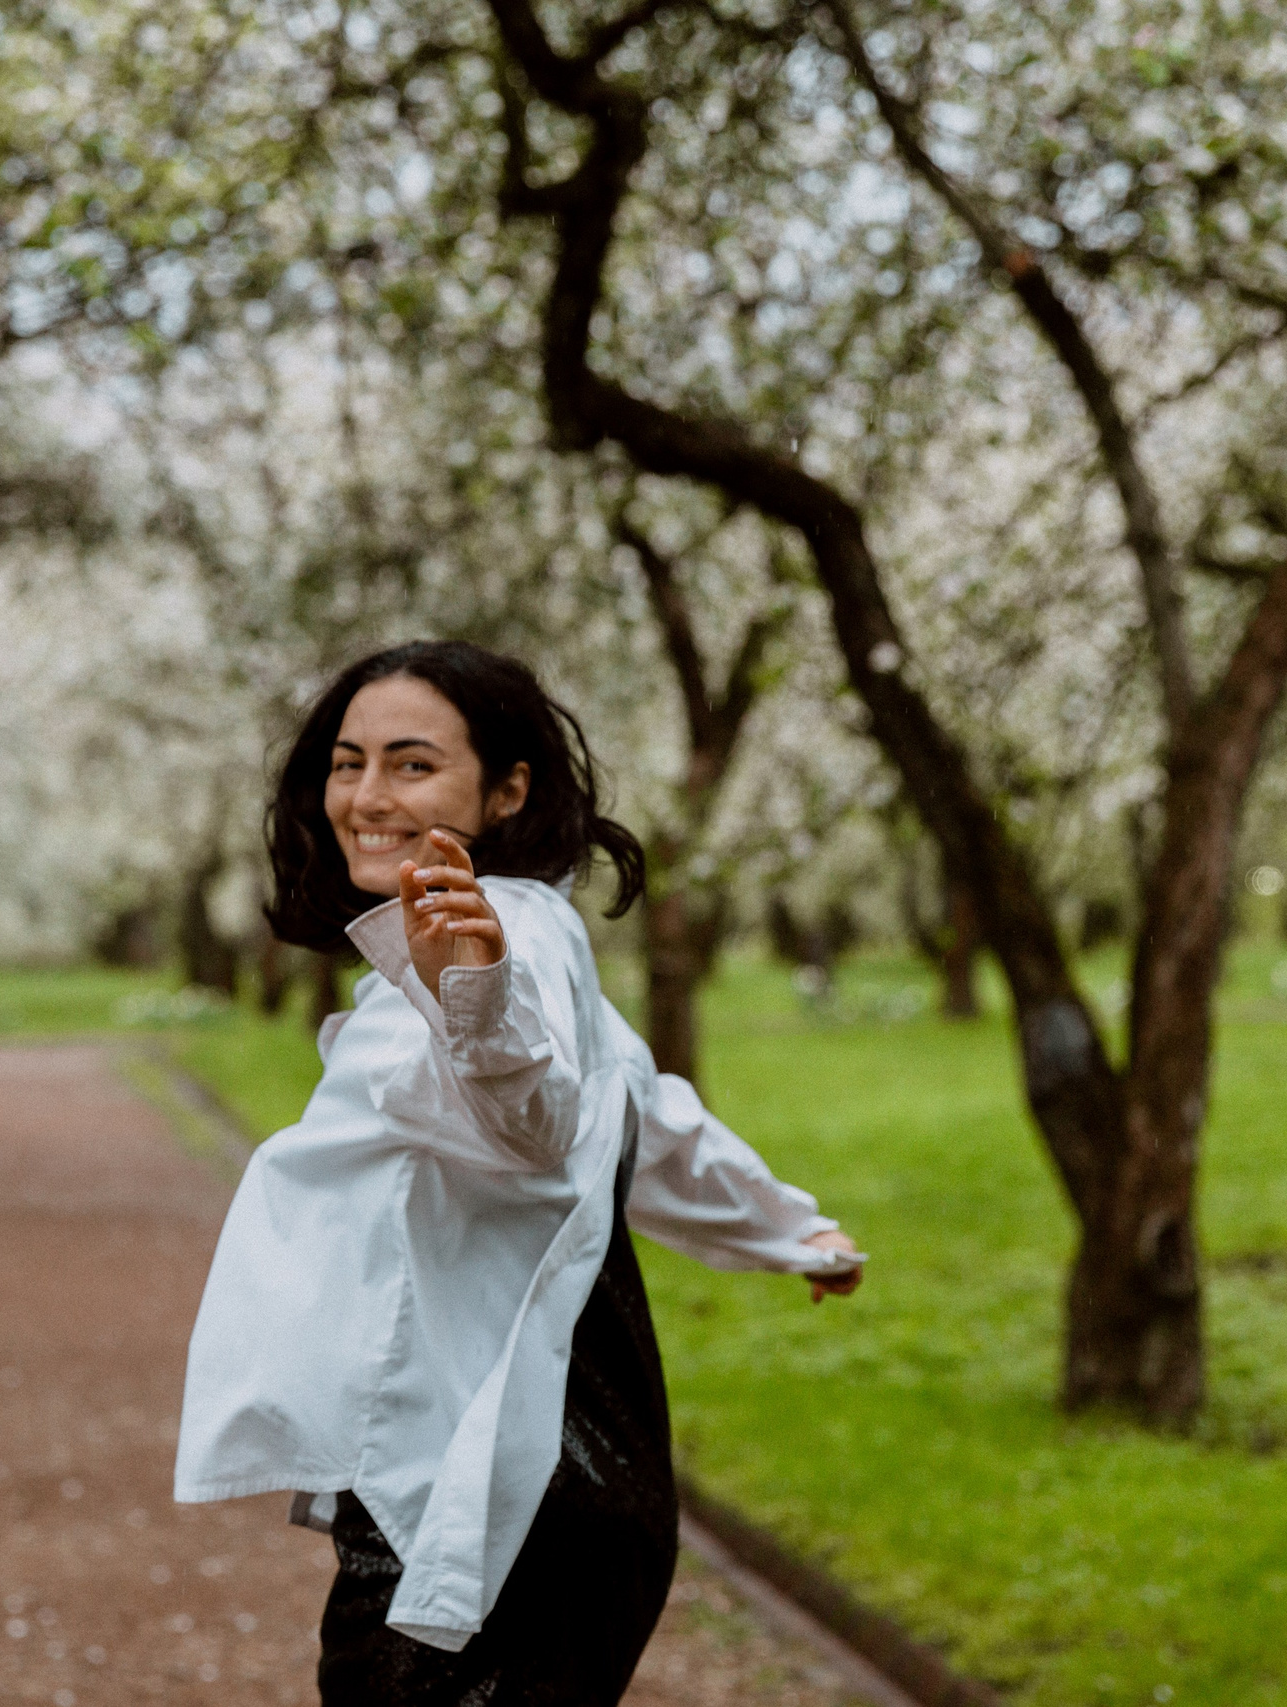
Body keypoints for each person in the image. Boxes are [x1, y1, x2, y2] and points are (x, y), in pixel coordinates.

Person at [173, 640, 864, 1705]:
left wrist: (476, 1002)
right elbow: (641, 1105)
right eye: (347, 762)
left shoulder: (505, 946)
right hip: (571, 1469)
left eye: (412, 765)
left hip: (513, 1489)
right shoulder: (521, 934)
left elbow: (532, 1120)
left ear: (507, 790)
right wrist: (787, 1229)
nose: (365, 796)